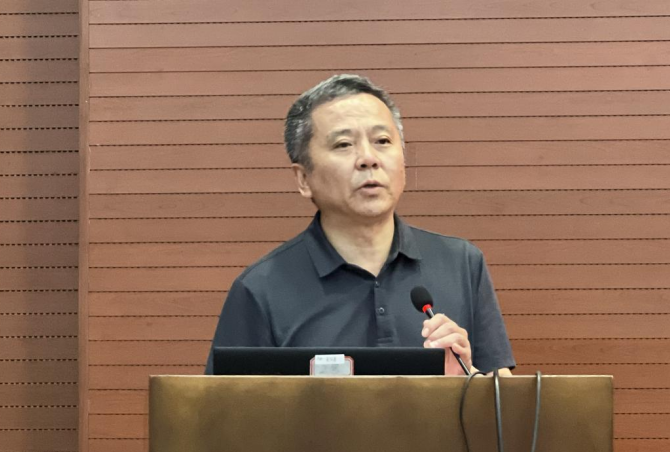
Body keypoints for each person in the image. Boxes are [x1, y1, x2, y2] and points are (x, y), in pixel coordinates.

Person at [205, 74, 514, 375]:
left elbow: (504, 402)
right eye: (343, 144)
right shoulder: (260, 289)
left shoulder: (462, 264)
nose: (368, 158)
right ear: (303, 178)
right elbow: (223, 407)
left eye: (382, 141)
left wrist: (467, 376)